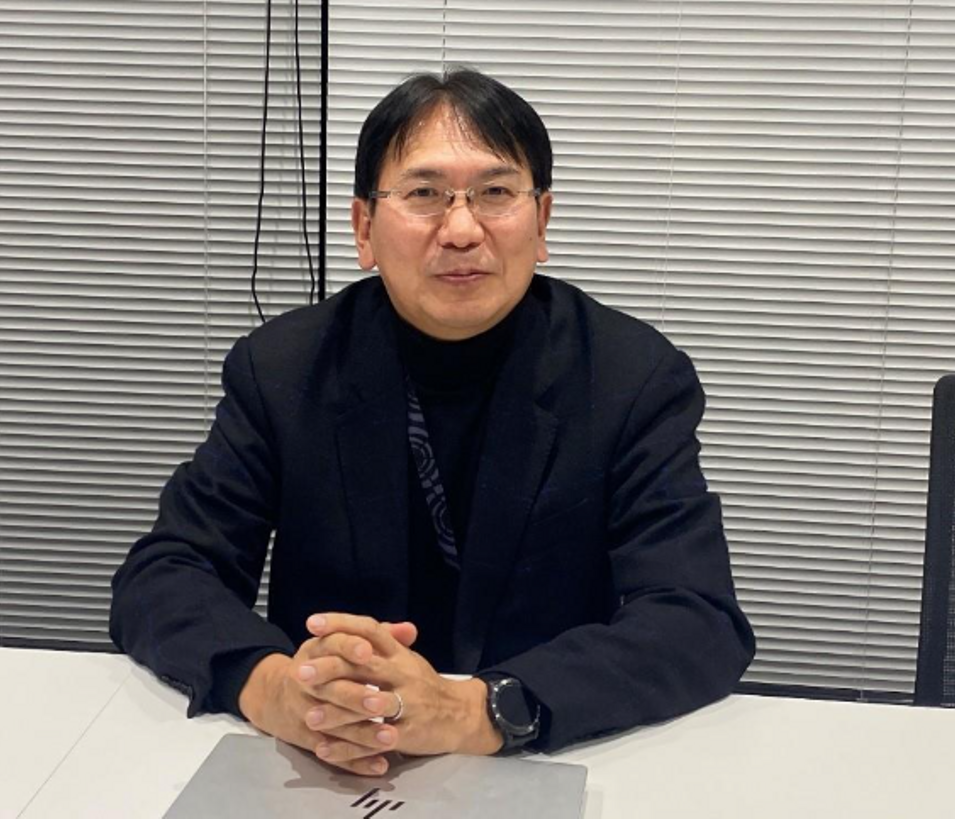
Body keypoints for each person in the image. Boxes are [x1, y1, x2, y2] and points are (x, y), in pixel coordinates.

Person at [109, 67, 755, 777]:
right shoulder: (283, 369)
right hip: (324, 757)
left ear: (541, 222)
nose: (462, 229)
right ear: (364, 229)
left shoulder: (631, 377)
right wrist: (274, 690)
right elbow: (166, 574)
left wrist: (476, 710)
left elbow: (697, 618)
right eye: (424, 195)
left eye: (495, 193)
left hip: (536, 758)